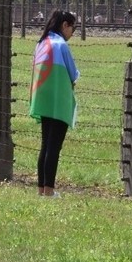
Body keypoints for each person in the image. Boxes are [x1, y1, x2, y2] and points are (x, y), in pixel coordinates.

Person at [29, 10, 79, 197]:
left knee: (45, 144)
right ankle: (49, 191)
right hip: (59, 100)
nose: (73, 32)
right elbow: (73, 74)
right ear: (64, 25)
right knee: (54, 147)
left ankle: (42, 189)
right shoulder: (61, 45)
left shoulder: (41, 43)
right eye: (72, 27)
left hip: (42, 99)